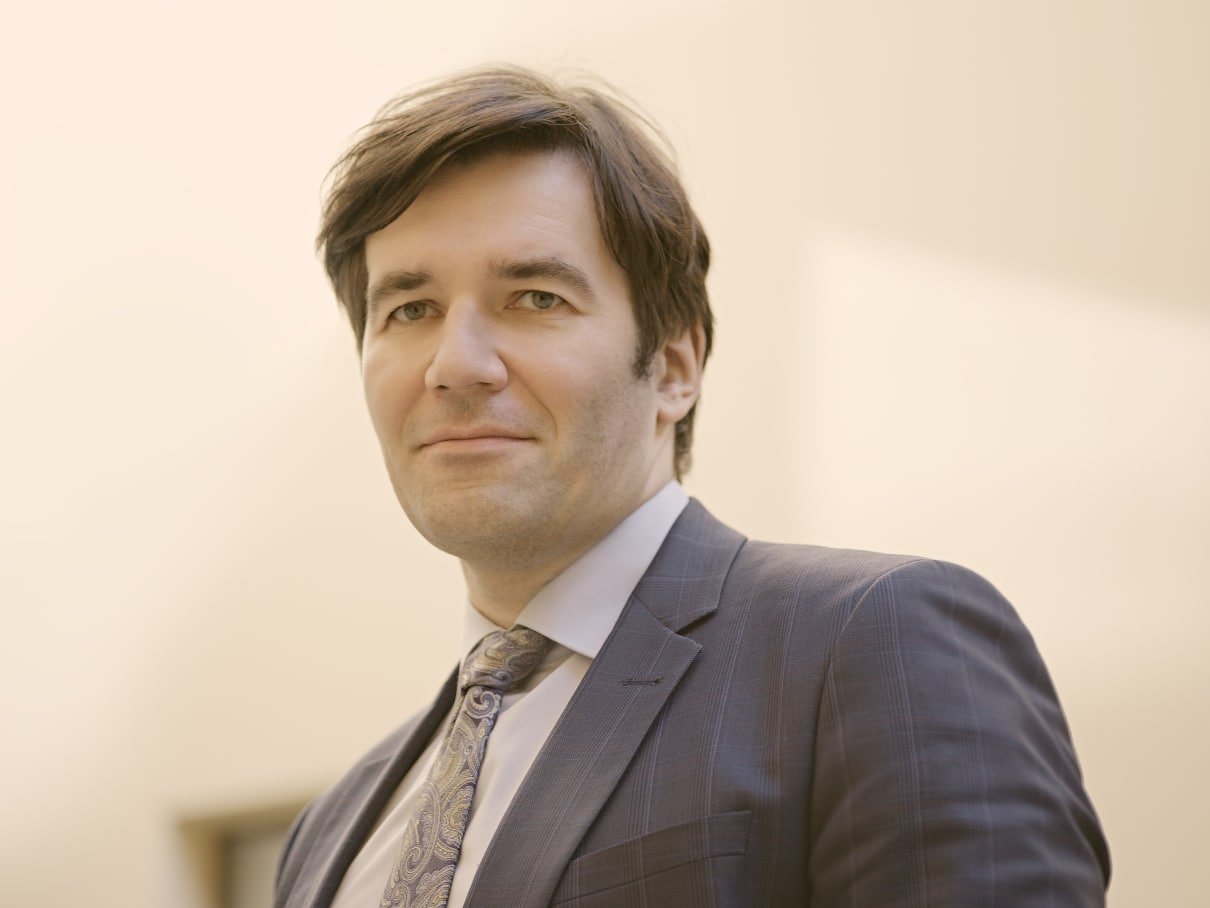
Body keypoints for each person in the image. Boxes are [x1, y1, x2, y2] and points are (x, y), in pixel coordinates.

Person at [274, 66, 1110, 908]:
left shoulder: (872, 646)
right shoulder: (328, 833)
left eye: (534, 297)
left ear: (675, 367)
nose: (455, 364)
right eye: (409, 310)